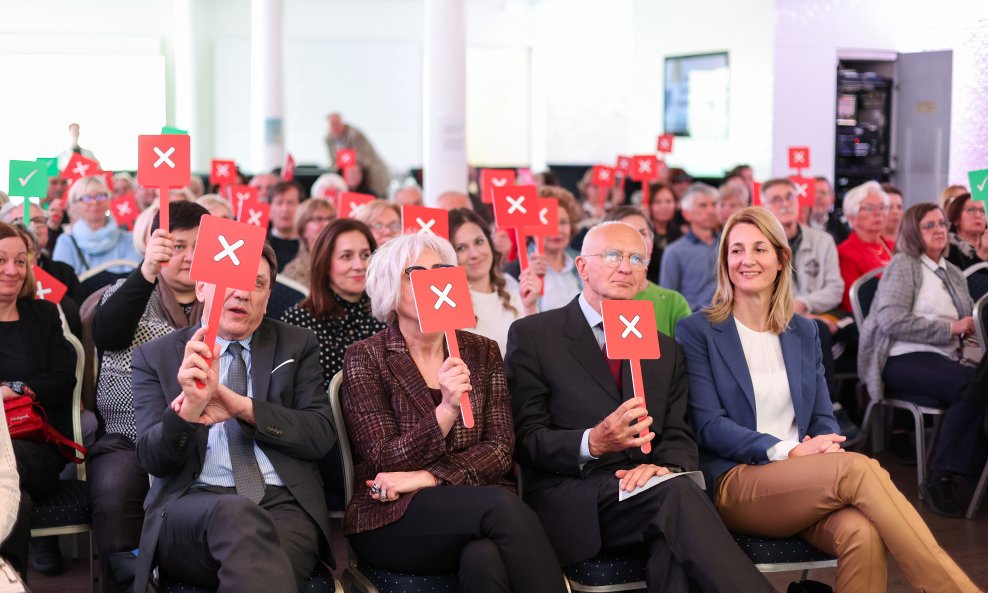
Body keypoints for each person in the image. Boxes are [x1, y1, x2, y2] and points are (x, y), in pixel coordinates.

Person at [677, 206, 981, 593]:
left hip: (804, 477)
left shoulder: (804, 331)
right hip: (737, 480)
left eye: (759, 249)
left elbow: (823, 416)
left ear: (780, 258)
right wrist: (787, 452)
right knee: (856, 469)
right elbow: (708, 425)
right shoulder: (698, 330)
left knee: (863, 533)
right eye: (736, 250)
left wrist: (821, 444)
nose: (746, 260)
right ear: (724, 261)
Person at [505, 221, 773, 593]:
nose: (625, 267)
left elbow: (679, 432)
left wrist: (663, 467)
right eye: (612, 256)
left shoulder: (665, 349)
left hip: (652, 493)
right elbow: (525, 440)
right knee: (678, 498)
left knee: (673, 540)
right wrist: (593, 442)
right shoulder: (534, 335)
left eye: (636, 259)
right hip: (574, 497)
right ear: (582, 267)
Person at [341, 233, 567, 593]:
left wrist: (430, 478)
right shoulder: (366, 357)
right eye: (414, 272)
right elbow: (385, 457)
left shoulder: (481, 351)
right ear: (388, 288)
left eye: (441, 270)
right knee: (502, 508)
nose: (431, 280)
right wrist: (445, 410)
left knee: (484, 559)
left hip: (472, 507)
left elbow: (499, 448)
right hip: (393, 517)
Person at [130, 243, 336, 593]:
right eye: (230, 280)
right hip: (190, 507)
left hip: (283, 506)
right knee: (240, 522)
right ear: (201, 287)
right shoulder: (158, 356)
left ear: (268, 299)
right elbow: (152, 458)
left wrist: (243, 408)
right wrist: (188, 412)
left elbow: (320, 435)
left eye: (257, 283)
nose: (242, 292)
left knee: (259, 568)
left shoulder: (296, 344)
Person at [88, 201, 208, 593]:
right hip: (130, 437)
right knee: (114, 493)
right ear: (157, 245)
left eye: (199, 245)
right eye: (177, 246)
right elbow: (107, 333)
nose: (189, 256)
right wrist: (146, 271)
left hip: (204, 438)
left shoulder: (224, 301)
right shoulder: (131, 290)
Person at [859, 203, 988, 518]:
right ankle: (939, 477)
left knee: (981, 380)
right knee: (969, 385)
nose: (940, 229)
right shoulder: (904, 265)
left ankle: (968, 471)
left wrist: (969, 328)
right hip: (900, 356)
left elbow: (967, 317)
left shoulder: (952, 271)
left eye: (942, 223)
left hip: (945, 357)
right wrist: (950, 328)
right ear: (913, 231)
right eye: (929, 225)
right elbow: (891, 321)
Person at [0, 221, 76, 578]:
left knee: (7, 467)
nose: (12, 270)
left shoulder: (44, 314)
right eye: (0, 260)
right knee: (17, 502)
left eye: (19, 261)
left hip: (35, 447)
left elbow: (63, 379)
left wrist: (15, 388)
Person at [281, 219, 384, 391]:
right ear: (325, 262)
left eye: (366, 255)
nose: (359, 266)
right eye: (346, 256)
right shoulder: (298, 321)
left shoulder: (386, 315)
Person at [448, 208, 537, 355]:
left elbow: (537, 349)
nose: (474, 254)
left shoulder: (513, 287)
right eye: (461, 248)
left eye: (479, 242)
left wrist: (531, 306)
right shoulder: (448, 305)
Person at [761, 179, 844, 318]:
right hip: (775, 317)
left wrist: (804, 303)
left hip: (820, 314)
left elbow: (835, 290)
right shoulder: (759, 246)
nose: (785, 204)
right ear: (764, 207)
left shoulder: (824, 241)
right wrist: (794, 313)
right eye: (776, 200)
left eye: (790, 197)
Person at [604, 206, 691, 338]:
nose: (637, 241)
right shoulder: (594, 300)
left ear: (651, 241)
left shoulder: (674, 303)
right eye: (627, 233)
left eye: (643, 233)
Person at [504, 186, 583, 312]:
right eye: (549, 223)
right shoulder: (514, 271)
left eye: (563, 222)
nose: (557, 231)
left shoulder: (583, 263)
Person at [52, 176, 141, 275]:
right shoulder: (66, 242)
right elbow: (63, 283)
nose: (95, 202)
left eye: (100, 196)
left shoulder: (129, 240)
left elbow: (137, 282)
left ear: (109, 200)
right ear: (75, 204)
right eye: (86, 198)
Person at [660, 183, 720, 312]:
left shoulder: (729, 245)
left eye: (714, 204)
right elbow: (667, 299)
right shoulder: (674, 251)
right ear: (686, 214)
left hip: (730, 321)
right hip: (692, 323)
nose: (711, 210)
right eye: (703, 205)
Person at [836, 181, 894, 311]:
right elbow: (853, 303)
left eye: (882, 207)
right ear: (852, 217)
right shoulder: (845, 253)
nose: (878, 213)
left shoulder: (894, 246)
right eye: (869, 208)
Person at [326, 113, 391, 198]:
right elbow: (333, 160)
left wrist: (347, 166)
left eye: (337, 123)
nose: (335, 127)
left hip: (369, 171)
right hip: (347, 173)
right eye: (332, 125)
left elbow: (362, 157)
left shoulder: (354, 134)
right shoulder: (328, 138)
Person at [281, 198, 337, 285]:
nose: (327, 224)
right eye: (319, 219)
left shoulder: (345, 262)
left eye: (330, 219)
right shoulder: (295, 271)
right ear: (303, 228)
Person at [645, 182, 682, 284]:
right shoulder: (643, 233)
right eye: (658, 202)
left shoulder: (679, 233)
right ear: (649, 205)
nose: (664, 206)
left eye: (669, 201)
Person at [945, 193, 988, 270]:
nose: (978, 215)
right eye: (971, 210)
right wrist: (982, 254)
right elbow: (961, 281)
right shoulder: (945, 248)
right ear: (956, 218)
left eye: (982, 211)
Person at [267, 180, 304, 271]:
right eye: (279, 203)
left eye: (291, 203)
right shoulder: (261, 243)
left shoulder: (311, 244)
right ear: (269, 208)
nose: (285, 209)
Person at [808, 176, 850, 245]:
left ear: (832, 199)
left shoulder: (842, 229)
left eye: (823, 193)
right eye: (813, 192)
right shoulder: (796, 226)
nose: (818, 197)